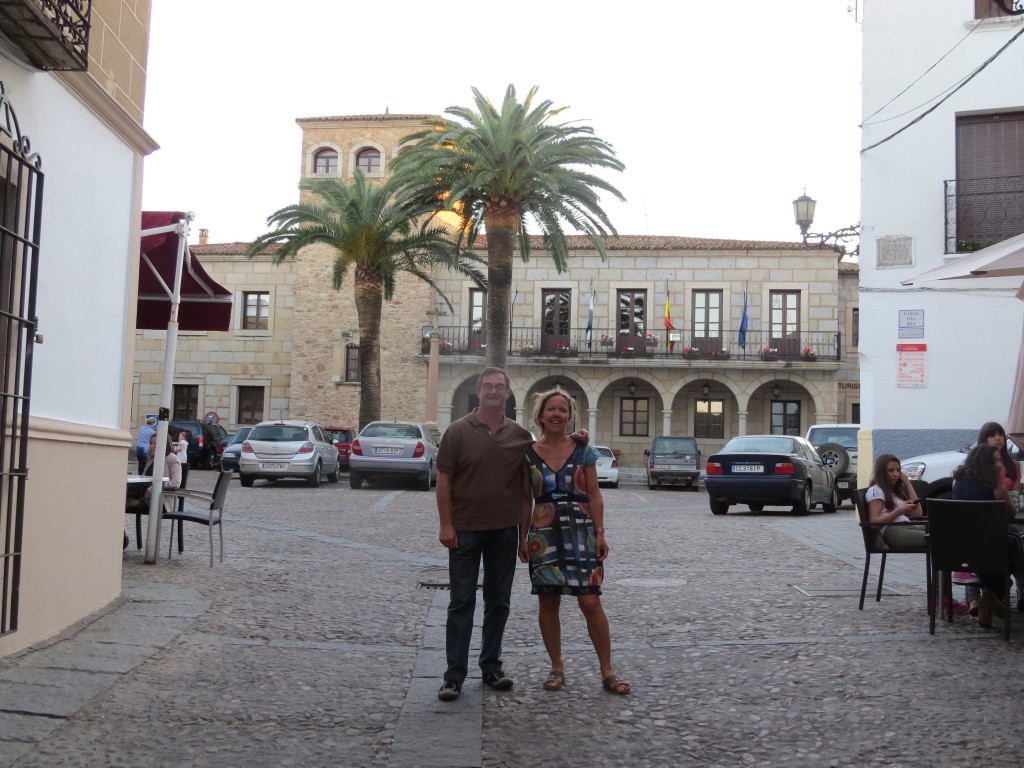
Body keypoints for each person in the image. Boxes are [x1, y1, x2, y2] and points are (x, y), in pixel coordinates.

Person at [520, 388, 630, 695]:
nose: (557, 414)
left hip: (581, 530)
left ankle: (607, 670)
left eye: (563, 410)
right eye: (550, 409)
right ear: (540, 415)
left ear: (570, 416)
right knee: (548, 601)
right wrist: (522, 538)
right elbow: (523, 499)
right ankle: (556, 667)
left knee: (591, 601)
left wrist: (600, 532)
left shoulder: (584, 450)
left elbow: (594, 494)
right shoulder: (527, 453)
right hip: (544, 532)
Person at [435, 368, 534, 702]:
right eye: (488, 386)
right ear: (478, 391)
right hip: (464, 530)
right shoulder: (457, 431)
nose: (494, 392)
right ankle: (453, 676)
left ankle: (491, 667)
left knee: (498, 602)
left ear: (508, 394)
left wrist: (523, 536)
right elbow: (444, 479)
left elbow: (527, 489)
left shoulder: (520, 435)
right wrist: (446, 525)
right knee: (461, 601)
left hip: (504, 532)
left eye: (500, 387)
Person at [952, 443, 1017, 628]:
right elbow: (1011, 513)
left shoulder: (957, 481)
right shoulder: (996, 487)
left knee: (997, 551)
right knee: (1014, 546)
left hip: (960, 552)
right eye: (994, 461)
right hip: (991, 553)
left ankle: (984, 607)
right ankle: (991, 595)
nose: (999, 464)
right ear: (983, 463)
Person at [866, 453, 925, 550]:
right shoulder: (876, 491)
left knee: (949, 533)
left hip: (906, 526)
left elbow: (917, 513)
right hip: (893, 531)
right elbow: (874, 523)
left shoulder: (893, 491)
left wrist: (908, 484)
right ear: (881, 472)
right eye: (891, 470)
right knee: (940, 538)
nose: (896, 474)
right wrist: (899, 510)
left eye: (898, 470)